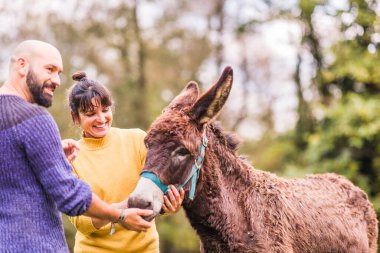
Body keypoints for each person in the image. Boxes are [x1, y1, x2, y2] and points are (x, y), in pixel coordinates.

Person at [0, 40, 153, 252]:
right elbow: (70, 197)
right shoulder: (35, 120)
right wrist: (120, 215)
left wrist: (48, 155)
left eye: (59, 73)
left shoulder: (135, 140)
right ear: (22, 65)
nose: (56, 80)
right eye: (50, 69)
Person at [67, 71, 185, 253]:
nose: (101, 119)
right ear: (75, 117)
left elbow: (159, 192)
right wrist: (124, 210)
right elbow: (82, 222)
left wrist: (169, 206)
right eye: (90, 114)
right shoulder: (71, 157)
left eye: (105, 110)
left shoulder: (137, 139)